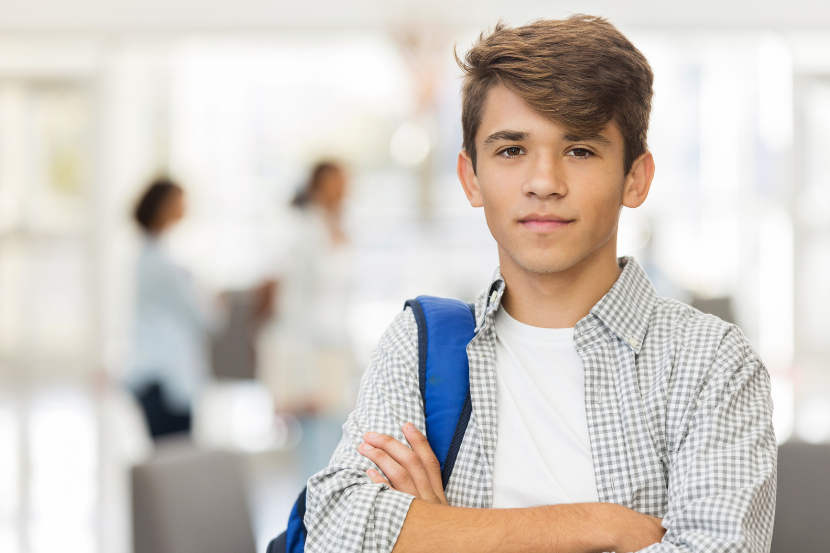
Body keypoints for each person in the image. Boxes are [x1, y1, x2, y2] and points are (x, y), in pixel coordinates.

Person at [303, 15, 777, 553]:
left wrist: (442, 533)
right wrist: (599, 526)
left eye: (580, 150)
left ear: (636, 178)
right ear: (470, 177)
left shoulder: (711, 364)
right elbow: (334, 529)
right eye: (511, 150)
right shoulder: (419, 347)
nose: (544, 183)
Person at [263, 161, 355, 478]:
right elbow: (291, 307)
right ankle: (310, 525)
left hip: (336, 351)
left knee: (336, 448)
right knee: (315, 455)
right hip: (311, 354)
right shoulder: (304, 234)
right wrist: (303, 377)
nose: (345, 189)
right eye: (337, 182)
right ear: (318, 187)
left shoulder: (341, 230)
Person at [126, 178, 216, 439]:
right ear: (165, 206)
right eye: (180, 201)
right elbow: (203, 317)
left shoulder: (152, 255)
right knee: (174, 459)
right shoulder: (162, 262)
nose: (186, 207)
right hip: (166, 376)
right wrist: (214, 303)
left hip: (154, 372)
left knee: (167, 457)